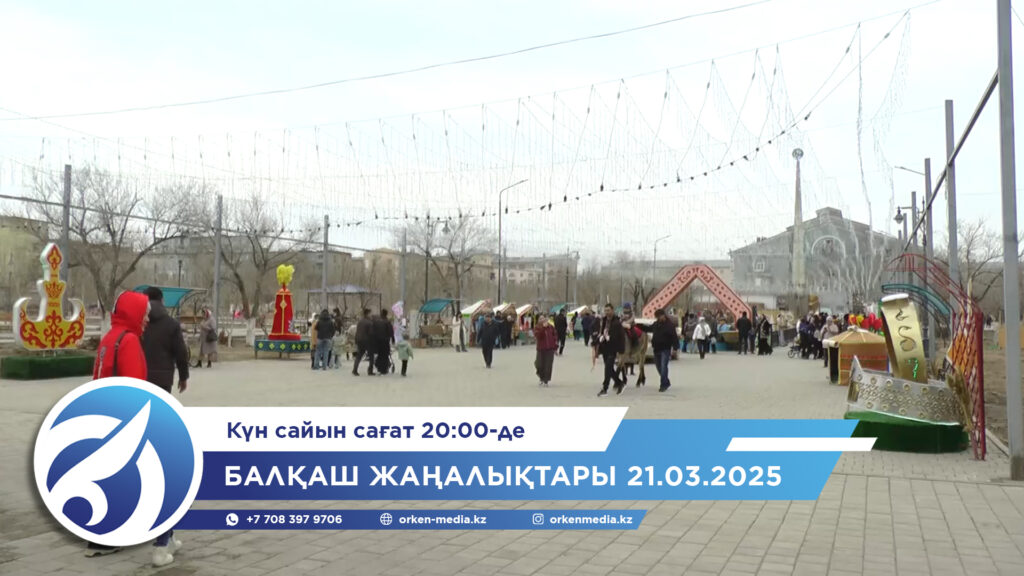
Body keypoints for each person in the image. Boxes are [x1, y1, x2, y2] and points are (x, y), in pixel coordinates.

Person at [88, 290, 151, 558]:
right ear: (133, 313)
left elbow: (96, 377)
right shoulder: (130, 341)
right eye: (144, 314)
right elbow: (135, 385)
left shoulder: (109, 338)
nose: (146, 319)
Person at [141, 287, 189, 394]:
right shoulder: (172, 324)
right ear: (162, 301)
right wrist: (183, 377)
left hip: (141, 377)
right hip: (164, 379)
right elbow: (181, 353)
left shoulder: (138, 323)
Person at [639, 308, 678, 392]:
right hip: (656, 348)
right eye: (657, 317)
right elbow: (648, 328)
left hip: (665, 349)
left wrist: (675, 348)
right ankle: (666, 381)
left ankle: (663, 385)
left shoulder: (670, 326)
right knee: (658, 367)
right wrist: (638, 325)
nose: (658, 318)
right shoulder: (656, 324)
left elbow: (674, 337)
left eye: (659, 317)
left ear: (663, 315)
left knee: (664, 367)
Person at [597, 304, 626, 396]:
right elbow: (602, 331)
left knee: (607, 369)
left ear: (612, 310)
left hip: (613, 348)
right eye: (605, 310)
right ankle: (619, 383)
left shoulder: (617, 323)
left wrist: (621, 350)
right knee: (609, 368)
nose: (607, 312)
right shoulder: (604, 320)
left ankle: (605, 388)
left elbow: (621, 337)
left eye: (608, 310)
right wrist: (601, 337)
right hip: (605, 347)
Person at [533, 313, 557, 386]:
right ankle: (541, 377)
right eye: (540, 319)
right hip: (541, 349)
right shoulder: (537, 327)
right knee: (539, 364)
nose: (542, 320)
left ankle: (546, 380)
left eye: (543, 318)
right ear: (538, 320)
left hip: (550, 349)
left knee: (548, 365)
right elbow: (539, 336)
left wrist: (555, 347)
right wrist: (543, 328)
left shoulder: (551, 327)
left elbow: (555, 336)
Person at [352, 308, 375, 376]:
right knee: (371, 356)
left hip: (359, 340)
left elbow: (357, 331)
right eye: (370, 313)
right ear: (367, 314)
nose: (371, 315)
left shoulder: (360, 321)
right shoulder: (369, 323)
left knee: (359, 355)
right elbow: (371, 333)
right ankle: (370, 371)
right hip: (367, 341)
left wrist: (356, 340)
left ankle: (355, 370)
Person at [373, 309, 394, 375]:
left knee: (379, 354)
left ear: (381, 314)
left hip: (377, 341)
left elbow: (373, 331)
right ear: (386, 314)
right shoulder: (387, 322)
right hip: (385, 341)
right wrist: (393, 339)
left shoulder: (376, 322)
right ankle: (384, 369)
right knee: (385, 355)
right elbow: (391, 332)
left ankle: (379, 367)